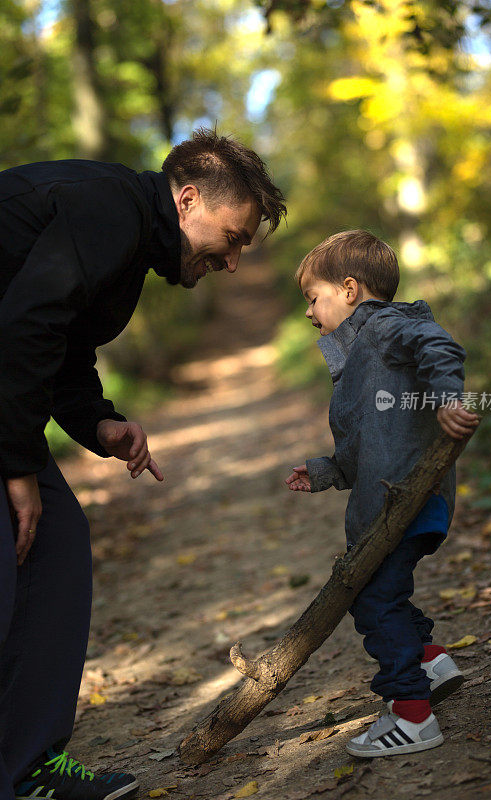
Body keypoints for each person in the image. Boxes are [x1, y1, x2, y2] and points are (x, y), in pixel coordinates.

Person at [0, 129, 286, 800]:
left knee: (55, 550)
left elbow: (60, 348)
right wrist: (15, 465)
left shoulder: (124, 235)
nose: (235, 260)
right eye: (234, 237)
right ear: (187, 199)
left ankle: (28, 767)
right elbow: (24, 328)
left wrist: (99, 422)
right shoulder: (108, 208)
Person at [285, 230, 479, 758]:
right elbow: (364, 450)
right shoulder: (357, 363)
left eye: (312, 298)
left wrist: (446, 398)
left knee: (373, 602)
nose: (308, 313)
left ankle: (414, 716)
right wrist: (324, 471)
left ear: (349, 289)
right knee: (383, 593)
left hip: (408, 502)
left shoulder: (386, 327)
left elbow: (438, 343)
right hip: (393, 504)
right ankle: (431, 661)